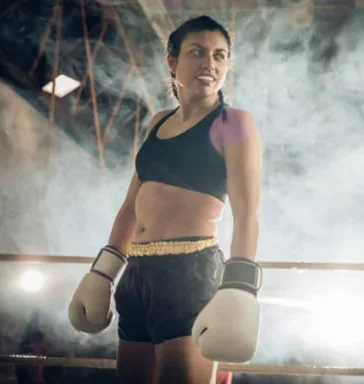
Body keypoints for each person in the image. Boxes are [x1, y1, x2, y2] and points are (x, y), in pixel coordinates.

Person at [67, 15, 264, 384]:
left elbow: (248, 214)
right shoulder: (158, 121)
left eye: (220, 56)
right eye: (197, 52)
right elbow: (130, 207)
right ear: (172, 61)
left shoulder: (233, 123)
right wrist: (104, 272)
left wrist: (239, 287)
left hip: (189, 272)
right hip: (137, 274)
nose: (210, 64)